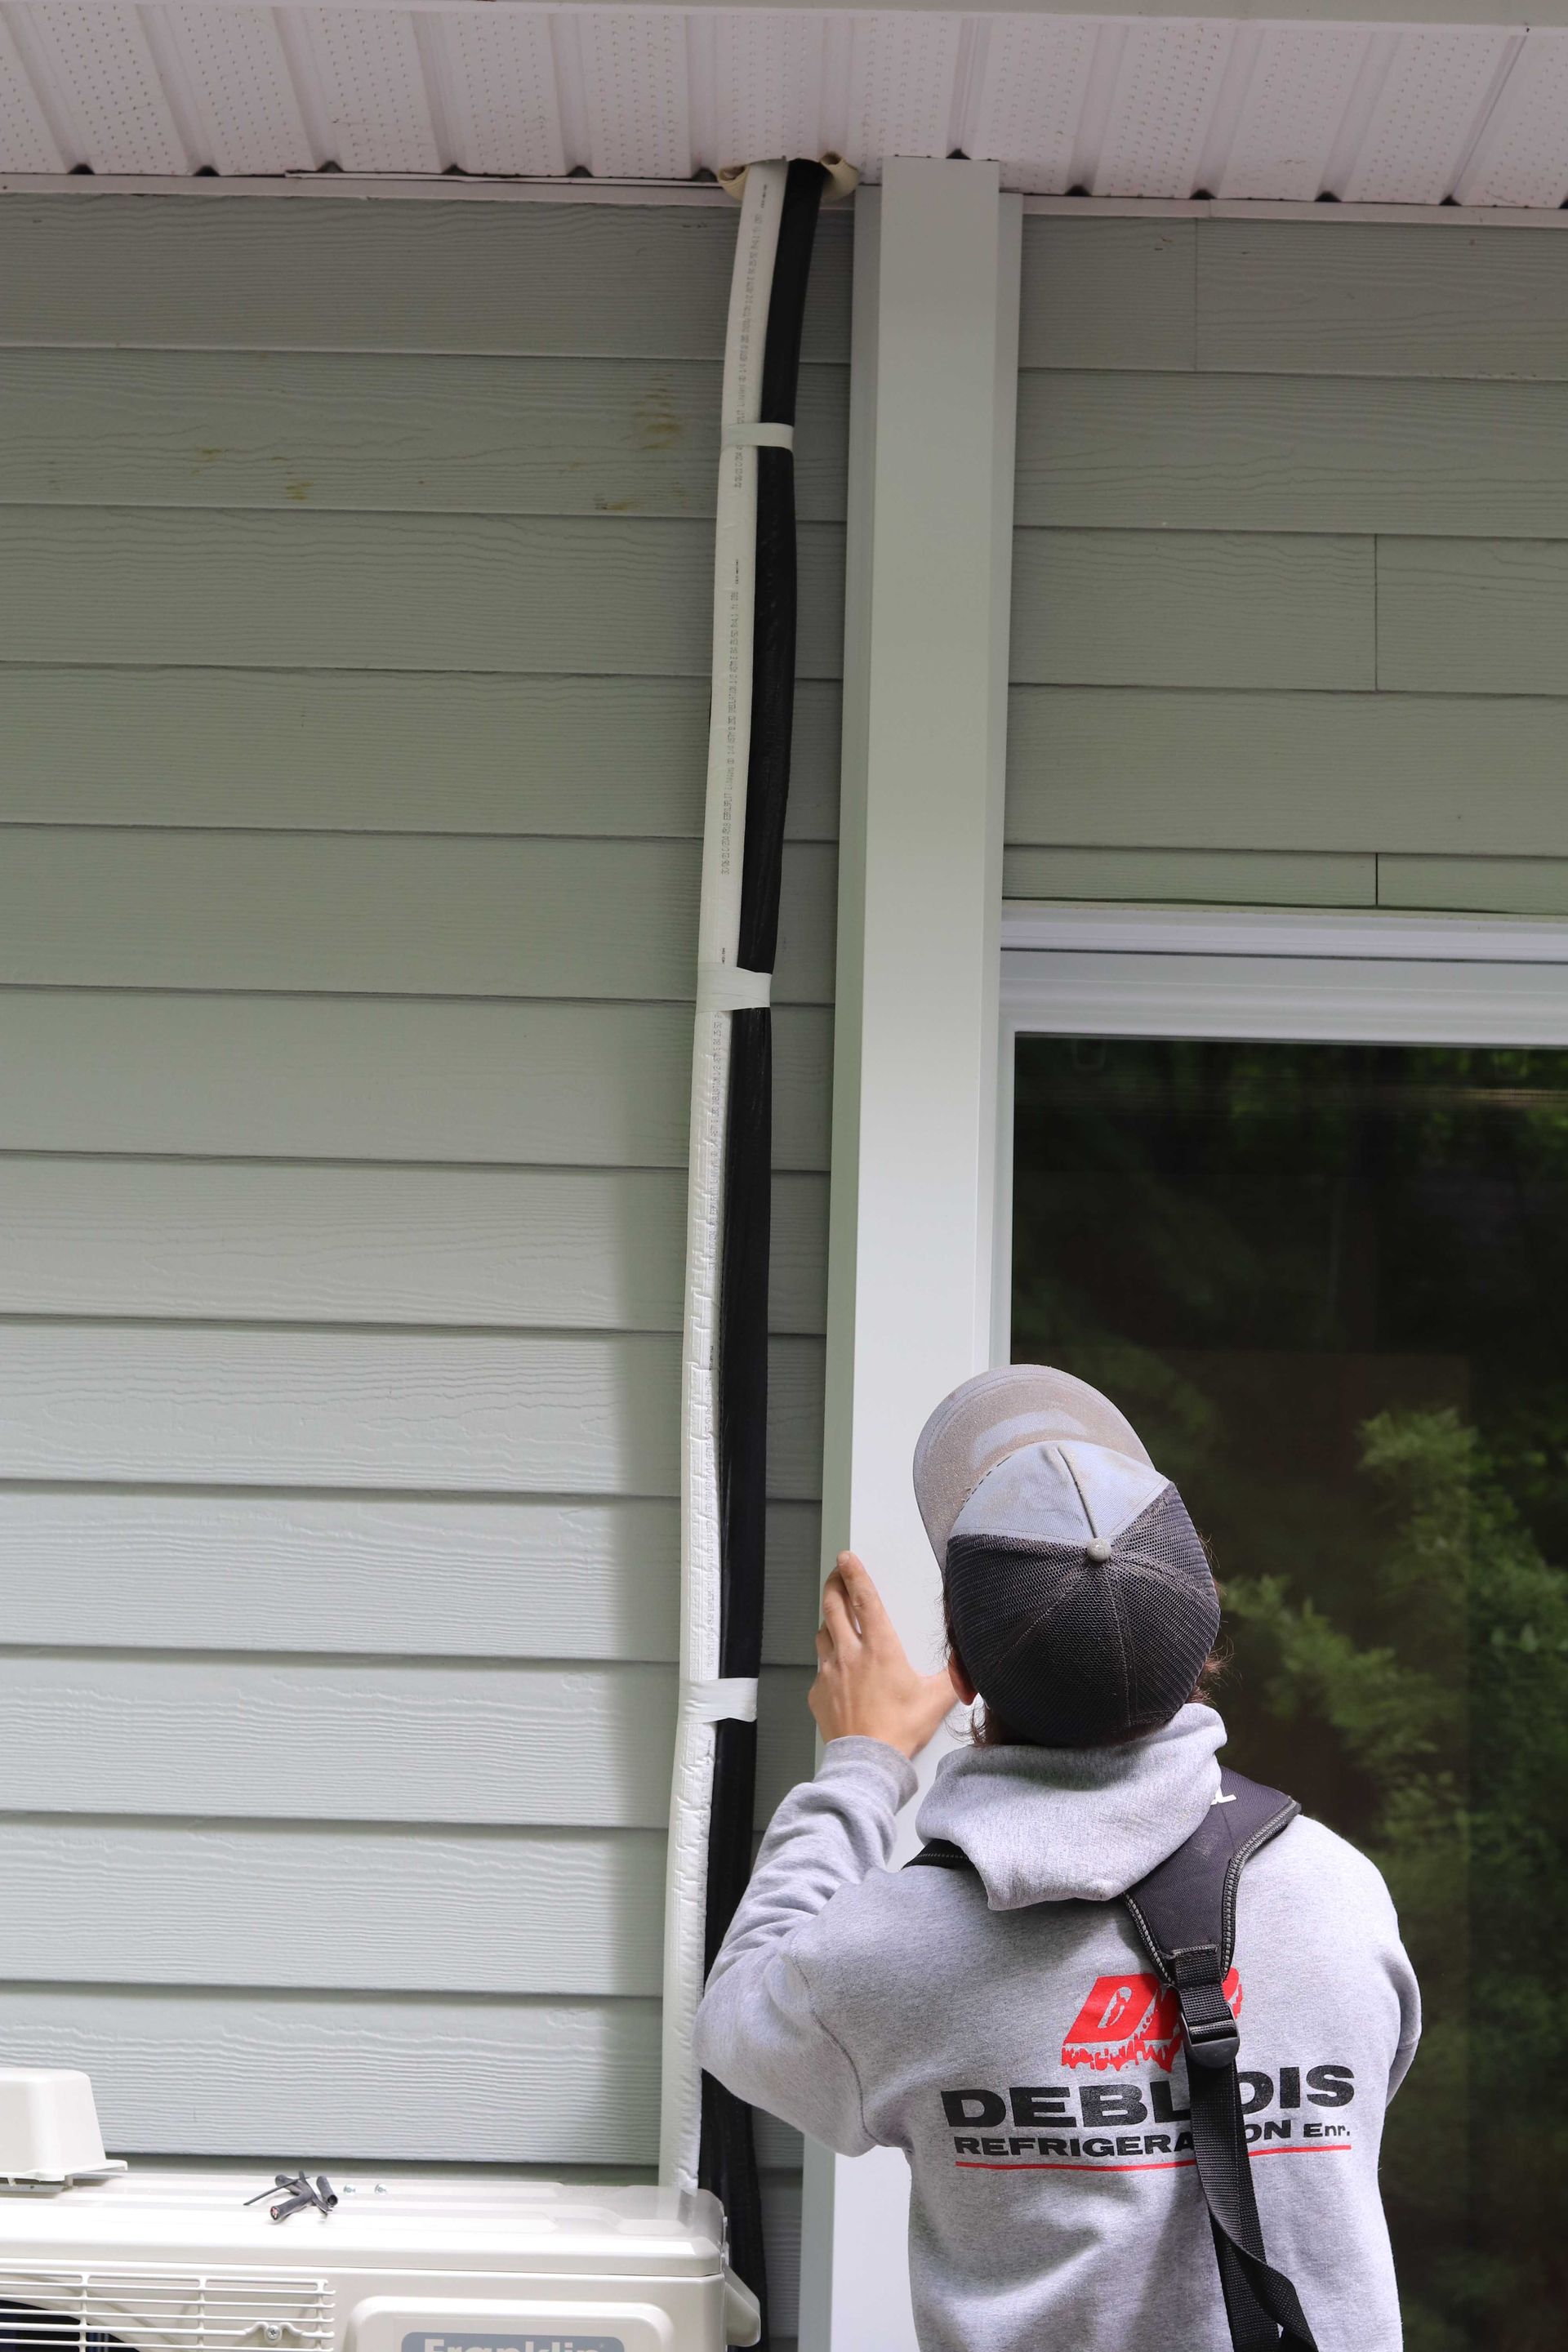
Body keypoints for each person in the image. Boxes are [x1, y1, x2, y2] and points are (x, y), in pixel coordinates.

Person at [694, 1365, 1421, 2351]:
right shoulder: (1341, 1899)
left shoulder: (892, 1958)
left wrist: (865, 1762)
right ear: (1202, 1639)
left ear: (961, 1673)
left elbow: (738, 2015)